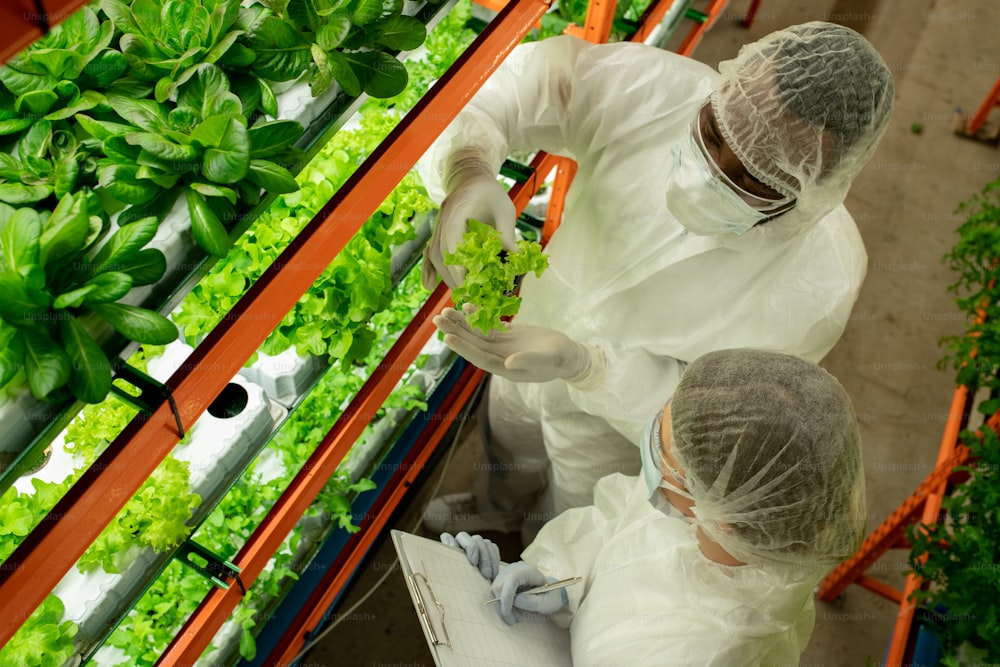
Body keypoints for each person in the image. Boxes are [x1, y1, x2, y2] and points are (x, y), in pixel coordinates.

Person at [418, 22, 893, 533]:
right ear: (728, 85)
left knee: (570, 519)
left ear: (814, 185)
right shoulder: (654, 90)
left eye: (753, 176)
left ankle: (533, 562)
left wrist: (588, 369)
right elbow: (506, 88)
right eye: (713, 132)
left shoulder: (822, 282)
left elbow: (721, 417)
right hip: (531, 326)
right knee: (506, 445)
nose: (713, 170)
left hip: (617, 421)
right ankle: (496, 509)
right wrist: (468, 166)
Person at [441, 348, 866, 666]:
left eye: (666, 456)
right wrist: (559, 580)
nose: (649, 441)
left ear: (726, 519)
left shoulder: (696, 650)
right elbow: (618, 522)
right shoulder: (730, 522)